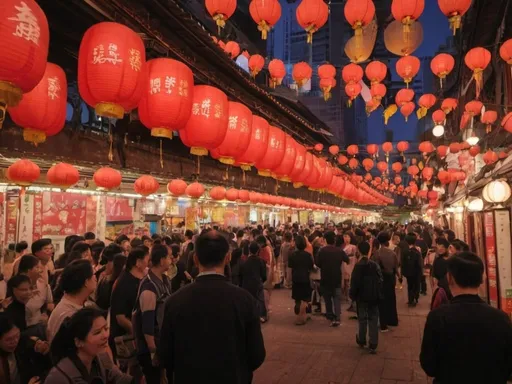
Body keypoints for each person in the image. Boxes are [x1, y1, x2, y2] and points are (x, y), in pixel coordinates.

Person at [159, 231, 266, 384]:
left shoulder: (174, 302)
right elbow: (257, 355)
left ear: (195, 259)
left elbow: (165, 355)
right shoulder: (244, 300)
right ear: (228, 258)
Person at [420, 252, 512, 383]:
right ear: (482, 278)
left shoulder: (438, 317)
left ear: (450, 278)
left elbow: (429, 366)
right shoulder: (501, 318)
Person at [46, 307, 133, 383]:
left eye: (106, 328)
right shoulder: (60, 376)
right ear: (78, 342)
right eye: (97, 332)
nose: (105, 335)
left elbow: (120, 378)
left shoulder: (102, 358)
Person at [132, 244, 172, 384]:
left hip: (161, 344)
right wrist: (153, 351)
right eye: (169, 257)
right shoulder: (149, 286)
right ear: (161, 260)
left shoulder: (164, 281)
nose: (171, 259)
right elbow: (147, 324)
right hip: (150, 349)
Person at [109, 247, 149, 365]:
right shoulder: (124, 283)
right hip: (125, 341)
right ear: (138, 263)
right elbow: (120, 318)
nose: (149, 263)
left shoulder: (140, 280)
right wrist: (137, 334)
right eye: (147, 260)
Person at [47, 260, 97, 342]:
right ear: (86, 282)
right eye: (93, 275)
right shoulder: (70, 315)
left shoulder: (71, 304)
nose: (95, 278)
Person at [350, 242, 382, 354]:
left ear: (358, 250)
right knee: (373, 318)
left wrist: (352, 296)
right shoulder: (374, 265)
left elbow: (354, 283)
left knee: (362, 319)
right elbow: (380, 280)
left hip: (361, 297)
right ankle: (373, 343)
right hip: (374, 296)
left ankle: (362, 339)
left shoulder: (358, 266)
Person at [316, 231, 349, 327]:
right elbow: (347, 260)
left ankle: (330, 316)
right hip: (337, 278)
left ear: (325, 240)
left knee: (327, 299)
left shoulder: (322, 251)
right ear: (334, 240)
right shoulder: (339, 251)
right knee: (336, 299)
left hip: (325, 278)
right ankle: (337, 318)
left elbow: (318, 263)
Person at [0, 313, 41, 384]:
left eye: (17, 335)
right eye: (9, 339)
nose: (15, 341)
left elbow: (27, 341)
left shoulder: (20, 341)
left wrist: (38, 346)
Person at [17, 255, 54, 327]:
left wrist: (47, 314)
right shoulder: (16, 287)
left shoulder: (43, 285)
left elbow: (49, 304)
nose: (41, 270)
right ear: (28, 271)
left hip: (41, 325)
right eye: (37, 267)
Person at [373, 232, 399, 332]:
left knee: (381, 301)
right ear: (388, 241)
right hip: (391, 278)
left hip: (380, 279)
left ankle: (383, 323)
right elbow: (396, 267)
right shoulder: (392, 253)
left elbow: (375, 267)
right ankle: (392, 320)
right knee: (391, 299)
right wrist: (399, 277)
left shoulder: (376, 253)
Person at [288, 236, 314, 325]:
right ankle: (301, 318)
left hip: (295, 278)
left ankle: (298, 313)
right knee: (305, 299)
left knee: (297, 298)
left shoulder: (292, 255)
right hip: (305, 278)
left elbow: (290, 268)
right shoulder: (308, 255)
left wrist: (289, 280)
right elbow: (311, 267)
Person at [240, 242, 268, 322]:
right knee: (260, 299)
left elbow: (242, 274)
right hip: (257, 282)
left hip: (246, 284)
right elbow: (263, 275)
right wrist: (262, 281)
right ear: (258, 251)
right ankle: (262, 316)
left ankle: (248, 316)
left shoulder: (245, 261)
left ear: (249, 250)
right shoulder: (260, 261)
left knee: (248, 300)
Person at [401, 233, 423, 307]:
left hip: (408, 272)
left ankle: (410, 300)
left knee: (409, 285)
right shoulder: (418, 249)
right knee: (416, 285)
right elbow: (420, 261)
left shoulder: (405, 250)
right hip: (416, 271)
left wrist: (402, 272)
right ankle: (415, 299)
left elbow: (402, 262)